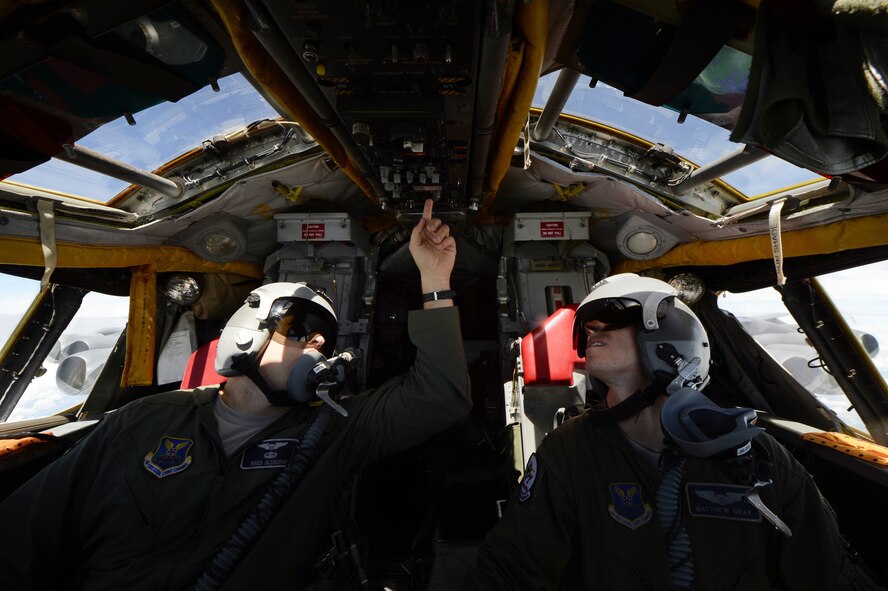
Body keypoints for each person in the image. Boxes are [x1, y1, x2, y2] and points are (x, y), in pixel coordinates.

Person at [0, 198, 471, 590]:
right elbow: (21, 537)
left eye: (325, 337)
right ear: (246, 332)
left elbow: (439, 395)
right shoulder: (142, 420)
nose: (320, 343)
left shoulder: (333, 431)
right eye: (301, 328)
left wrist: (433, 279)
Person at [465, 273, 877, 590]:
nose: (593, 331)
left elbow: (829, 573)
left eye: (612, 319)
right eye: (589, 326)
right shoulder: (571, 448)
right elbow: (513, 565)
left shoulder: (756, 455)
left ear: (670, 338)